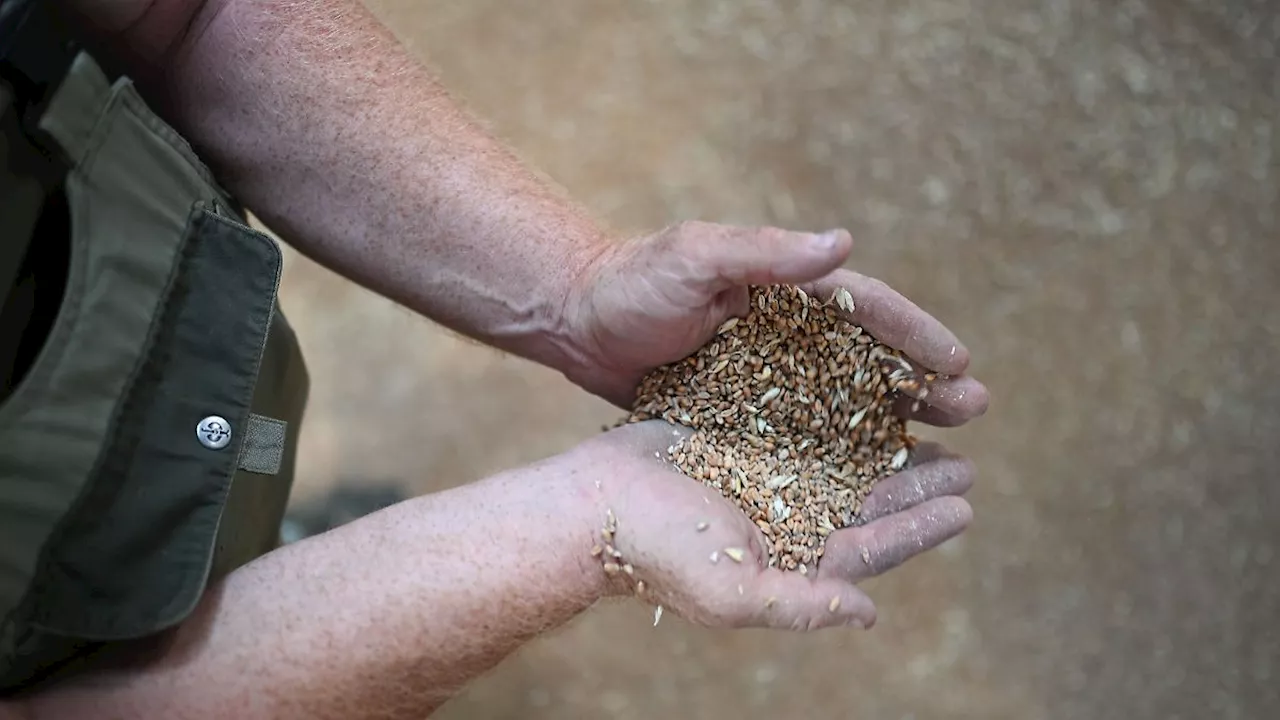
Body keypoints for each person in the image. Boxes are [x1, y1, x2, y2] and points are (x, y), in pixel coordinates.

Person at [0, 0, 989, 717]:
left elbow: (187, 14)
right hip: (41, 614)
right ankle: (287, 583)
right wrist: (574, 528)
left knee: (246, 463)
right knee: (153, 602)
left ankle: (277, 555)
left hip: (162, 326)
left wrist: (577, 291)